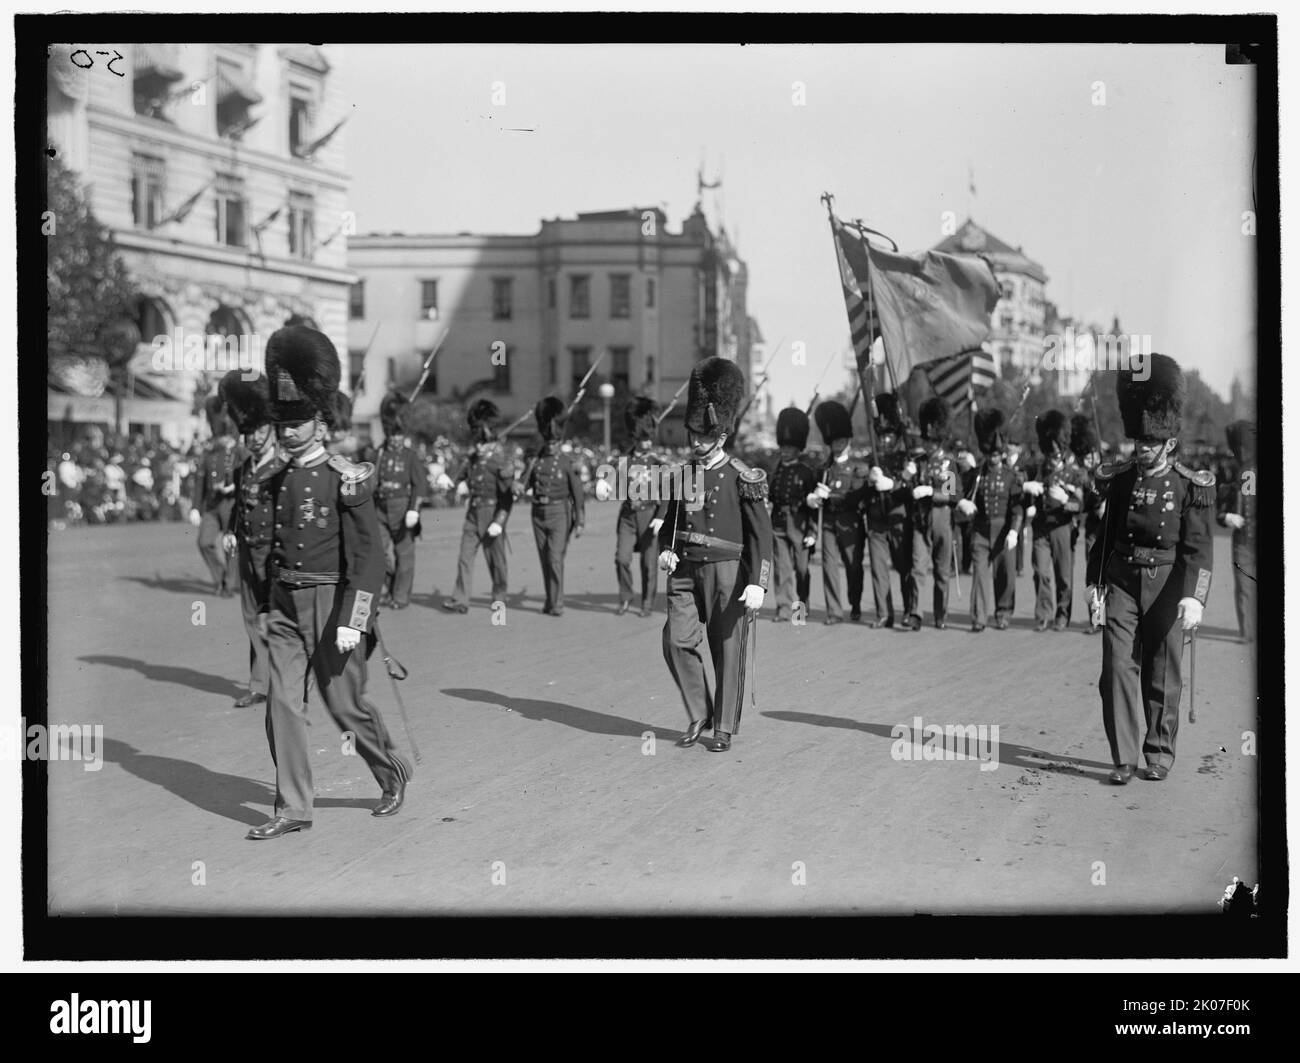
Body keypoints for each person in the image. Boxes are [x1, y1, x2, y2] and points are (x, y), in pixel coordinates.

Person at [248, 324, 412, 839]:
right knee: (280, 704)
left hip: (332, 602)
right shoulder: (274, 478)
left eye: (297, 422)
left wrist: (355, 618)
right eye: (282, 423)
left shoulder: (347, 478)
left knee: (344, 705)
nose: (288, 431)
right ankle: (294, 806)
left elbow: (369, 558)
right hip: (285, 605)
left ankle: (390, 769)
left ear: (321, 422)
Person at [1086, 353, 1214, 784]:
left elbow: (1199, 549)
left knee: (1161, 670)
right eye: (1137, 442)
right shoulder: (1122, 479)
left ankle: (1158, 751)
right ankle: (1123, 757)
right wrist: (1094, 582)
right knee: (1116, 667)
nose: (1140, 449)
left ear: (1168, 444)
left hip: (1166, 582)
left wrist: (1196, 596)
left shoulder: (1189, 486)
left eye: (1148, 443)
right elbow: (1105, 534)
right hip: (1121, 578)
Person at [657, 357, 772, 753]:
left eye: (703, 437)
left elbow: (762, 536)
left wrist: (759, 582)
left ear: (720, 436)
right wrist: (667, 551)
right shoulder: (683, 474)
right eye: (692, 435)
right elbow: (671, 523)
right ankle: (699, 711)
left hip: (727, 570)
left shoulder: (744, 477)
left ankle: (722, 726)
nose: (695, 443)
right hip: (686, 570)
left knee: (727, 648)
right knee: (675, 640)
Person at [218, 369, 285, 709]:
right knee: (250, 618)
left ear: (271, 428)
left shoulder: (283, 467)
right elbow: (239, 504)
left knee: (273, 616)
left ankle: (284, 681)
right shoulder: (244, 468)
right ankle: (260, 684)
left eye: (259, 430)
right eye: (248, 432)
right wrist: (230, 531)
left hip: (274, 553)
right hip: (247, 549)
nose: (254, 437)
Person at [442, 399, 514, 614]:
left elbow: (507, 496)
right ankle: (460, 599)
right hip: (473, 512)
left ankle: (499, 595)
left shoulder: (500, 458)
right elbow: (460, 473)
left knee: (496, 562)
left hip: (492, 512)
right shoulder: (474, 457)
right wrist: (450, 479)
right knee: (464, 557)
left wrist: (499, 522)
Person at [959, 408, 1023, 632]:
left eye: (996, 455)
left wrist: (1014, 531)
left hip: (1003, 529)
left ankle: (1003, 612)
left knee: (1005, 574)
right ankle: (979, 616)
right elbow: (953, 486)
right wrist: (960, 502)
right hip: (980, 529)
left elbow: (1017, 508)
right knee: (980, 573)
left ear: (1001, 453)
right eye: (990, 455)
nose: (993, 458)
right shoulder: (975, 474)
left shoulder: (1011, 476)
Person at [806, 399, 869, 625]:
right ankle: (834, 611)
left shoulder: (858, 466)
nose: (838, 444)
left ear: (848, 440)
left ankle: (856, 603)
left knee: (853, 566)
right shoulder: (824, 469)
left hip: (850, 521)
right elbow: (814, 494)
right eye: (834, 441)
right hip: (829, 523)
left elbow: (855, 496)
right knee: (828, 565)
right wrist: (814, 498)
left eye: (841, 440)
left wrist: (830, 495)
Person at [1024, 410, 1086, 632]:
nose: (1051, 455)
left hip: (1062, 526)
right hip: (1040, 526)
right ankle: (1043, 613)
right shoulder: (1037, 468)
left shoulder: (1074, 473)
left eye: (1055, 451)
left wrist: (1065, 502)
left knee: (1064, 575)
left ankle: (1062, 614)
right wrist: (1029, 491)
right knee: (1040, 571)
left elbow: (1080, 505)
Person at [526, 396, 585, 616]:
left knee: (554, 557)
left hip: (560, 512)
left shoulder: (567, 462)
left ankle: (557, 602)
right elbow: (524, 485)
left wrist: (580, 521)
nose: (551, 446)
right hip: (537, 513)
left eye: (554, 443)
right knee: (544, 559)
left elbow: (578, 495)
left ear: (559, 441)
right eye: (548, 442)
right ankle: (550, 600)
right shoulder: (535, 460)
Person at [862, 393, 916, 629]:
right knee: (878, 568)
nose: (884, 440)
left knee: (904, 567)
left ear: (895, 436)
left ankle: (909, 610)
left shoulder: (907, 458)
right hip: (876, 520)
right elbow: (861, 490)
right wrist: (869, 479)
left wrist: (895, 482)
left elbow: (911, 489)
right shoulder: (870, 458)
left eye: (888, 436)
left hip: (898, 517)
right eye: (881, 436)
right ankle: (884, 613)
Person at [906, 397, 959, 631]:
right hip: (921, 520)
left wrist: (931, 491)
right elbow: (908, 489)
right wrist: (907, 478)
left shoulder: (948, 464)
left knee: (942, 571)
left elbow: (952, 495)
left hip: (942, 519)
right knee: (918, 567)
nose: (926, 445)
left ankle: (940, 614)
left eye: (930, 441)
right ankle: (915, 613)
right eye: (924, 440)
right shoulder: (917, 462)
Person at [372, 392, 425, 610]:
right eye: (392, 434)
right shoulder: (378, 454)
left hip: (402, 507)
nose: (395, 439)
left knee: (404, 554)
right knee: (379, 552)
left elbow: (419, 484)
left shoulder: (410, 456)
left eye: (399, 435)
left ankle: (401, 595)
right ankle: (392, 585)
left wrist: (414, 509)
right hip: (380, 508)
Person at [614, 397, 665, 617]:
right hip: (628, 516)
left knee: (648, 564)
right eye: (643, 439)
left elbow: (667, 494)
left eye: (649, 439)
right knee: (621, 558)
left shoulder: (657, 463)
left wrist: (660, 516)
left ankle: (647, 602)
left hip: (649, 514)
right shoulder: (624, 460)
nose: (647, 444)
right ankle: (626, 597)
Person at [767, 407, 817, 622]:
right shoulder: (776, 470)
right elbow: (770, 496)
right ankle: (783, 608)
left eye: (790, 447)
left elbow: (813, 505)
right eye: (783, 447)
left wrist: (813, 531)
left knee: (802, 569)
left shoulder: (806, 472)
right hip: (778, 523)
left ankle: (801, 610)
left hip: (799, 524)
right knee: (782, 569)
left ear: (798, 449)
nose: (785, 451)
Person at [192, 396, 240, 597]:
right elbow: (200, 480)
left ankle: (230, 584)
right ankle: (221, 577)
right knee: (204, 542)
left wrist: (233, 487)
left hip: (230, 503)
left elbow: (245, 476)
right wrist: (195, 506)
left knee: (230, 545)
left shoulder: (238, 451)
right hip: (212, 505)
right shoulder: (209, 453)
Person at [1218, 420, 1256, 645]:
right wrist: (1226, 517)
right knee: (1244, 587)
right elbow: (1219, 509)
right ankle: (1247, 631)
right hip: (1241, 540)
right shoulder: (1231, 472)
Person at [1070, 413, 1106, 634]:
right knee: (1094, 576)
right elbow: (1081, 505)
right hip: (1093, 528)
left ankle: (1111, 618)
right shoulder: (1081, 476)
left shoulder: (1110, 471)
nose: (1088, 460)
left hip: (1111, 529)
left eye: (1091, 455)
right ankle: (1096, 619)